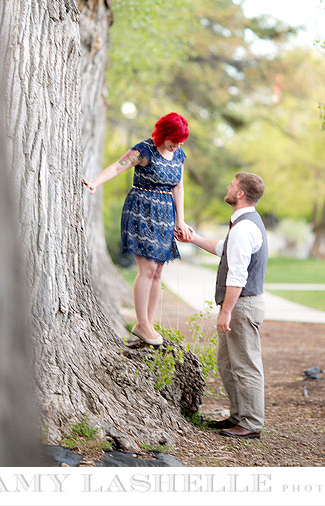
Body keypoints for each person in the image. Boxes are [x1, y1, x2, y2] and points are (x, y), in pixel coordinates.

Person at [82, 112, 193, 346]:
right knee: (148, 268)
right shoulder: (144, 150)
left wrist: (180, 220)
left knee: (158, 271)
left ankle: (147, 324)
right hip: (141, 211)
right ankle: (142, 324)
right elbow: (117, 167)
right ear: (164, 134)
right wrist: (95, 183)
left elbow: (179, 187)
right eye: (175, 138)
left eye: (182, 140)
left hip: (165, 215)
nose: (179, 144)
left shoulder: (179, 155)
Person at [178, 172, 268, 440]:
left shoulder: (244, 228)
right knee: (229, 364)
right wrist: (192, 238)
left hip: (242, 305)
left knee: (246, 365)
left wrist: (226, 311)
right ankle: (238, 416)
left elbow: (237, 274)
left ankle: (251, 423)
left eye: (232, 184)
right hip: (238, 305)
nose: (228, 187)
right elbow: (222, 248)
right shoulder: (243, 224)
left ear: (240, 193)